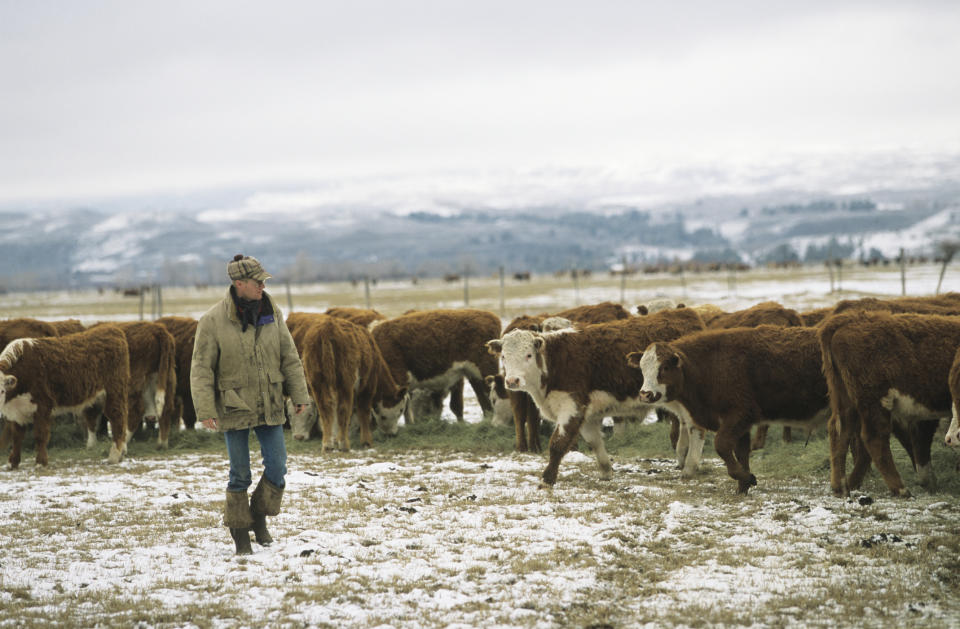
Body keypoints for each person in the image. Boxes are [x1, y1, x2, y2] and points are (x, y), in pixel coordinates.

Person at [191, 254, 311, 555]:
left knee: (278, 467)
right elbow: (201, 368)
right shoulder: (212, 321)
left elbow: (289, 355)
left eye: (264, 281)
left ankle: (257, 517)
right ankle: (240, 531)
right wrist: (205, 410)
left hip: (270, 400)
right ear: (238, 284)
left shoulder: (273, 311)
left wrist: (299, 395)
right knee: (240, 473)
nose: (262, 286)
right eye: (258, 282)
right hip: (233, 406)